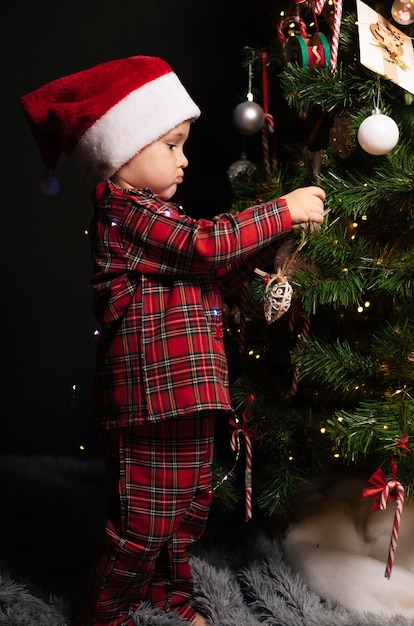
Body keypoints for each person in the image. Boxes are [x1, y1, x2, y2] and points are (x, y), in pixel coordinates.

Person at [20, 55, 325, 626]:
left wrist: (270, 257)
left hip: (186, 393)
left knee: (187, 510)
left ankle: (169, 596)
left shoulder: (158, 217)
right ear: (122, 153)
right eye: (172, 146)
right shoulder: (125, 214)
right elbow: (206, 247)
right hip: (147, 399)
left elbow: (215, 268)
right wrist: (281, 210)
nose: (185, 161)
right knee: (146, 518)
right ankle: (104, 611)